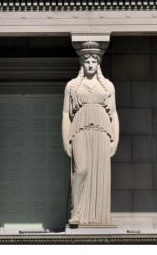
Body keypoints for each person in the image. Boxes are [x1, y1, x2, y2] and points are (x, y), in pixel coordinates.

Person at [62, 42, 119, 225]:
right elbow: (65, 114)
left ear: (99, 63)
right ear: (82, 63)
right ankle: (76, 211)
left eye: (94, 61)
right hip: (80, 129)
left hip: (102, 131)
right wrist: (66, 140)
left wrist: (115, 140)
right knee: (81, 169)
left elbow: (114, 114)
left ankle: (98, 217)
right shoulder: (72, 86)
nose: (90, 64)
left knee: (100, 173)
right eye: (87, 61)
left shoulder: (107, 86)